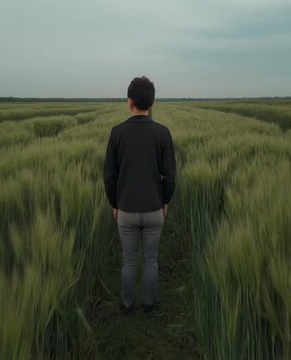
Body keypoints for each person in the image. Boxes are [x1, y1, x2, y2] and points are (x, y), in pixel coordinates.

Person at [103, 76, 177, 314]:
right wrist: (165, 201)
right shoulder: (163, 133)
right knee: (151, 260)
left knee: (128, 260)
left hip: (125, 209)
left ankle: (126, 304)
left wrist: (115, 204)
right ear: (152, 102)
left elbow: (109, 177)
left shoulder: (117, 133)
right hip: (154, 209)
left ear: (130, 101)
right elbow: (170, 176)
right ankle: (149, 303)